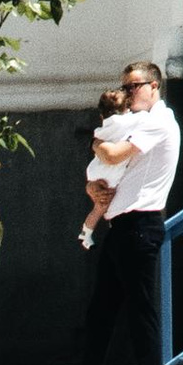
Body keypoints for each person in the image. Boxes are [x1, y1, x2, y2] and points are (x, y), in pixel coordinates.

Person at [69, 60, 181, 365]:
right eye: (125, 87)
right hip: (121, 226)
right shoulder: (136, 122)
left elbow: (114, 154)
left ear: (153, 86)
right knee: (101, 312)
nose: (128, 93)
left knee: (139, 310)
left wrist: (95, 142)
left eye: (134, 86)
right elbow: (110, 169)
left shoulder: (158, 121)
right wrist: (92, 187)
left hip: (141, 225)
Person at [78, 84, 129, 250]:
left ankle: (86, 232)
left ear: (101, 114)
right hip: (111, 171)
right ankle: (86, 233)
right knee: (102, 205)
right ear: (126, 109)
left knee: (99, 207)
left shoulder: (103, 127)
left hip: (97, 169)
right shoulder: (128, 122)